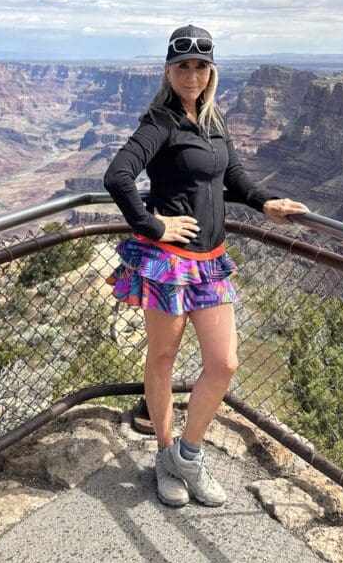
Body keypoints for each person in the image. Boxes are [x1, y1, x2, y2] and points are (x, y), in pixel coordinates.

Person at [103, 25, 308, 508]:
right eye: (182, 66)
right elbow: (117, 176)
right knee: (163, 360)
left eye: (200, 66)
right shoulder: (161, 121)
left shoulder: (213, 120)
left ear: (210, 71)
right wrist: (153, 226)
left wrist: (266, 203)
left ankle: (187, 457)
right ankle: (164, 454)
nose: (191, 75)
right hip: (170, 262)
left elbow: (231, 178)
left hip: (211, 262)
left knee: (223, 363)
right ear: (169, 70)